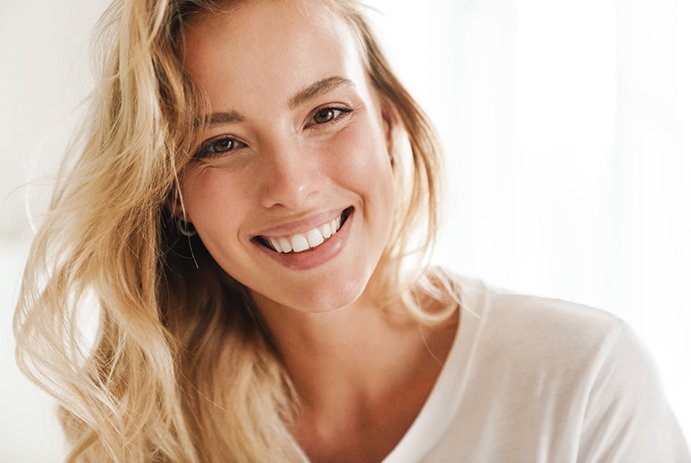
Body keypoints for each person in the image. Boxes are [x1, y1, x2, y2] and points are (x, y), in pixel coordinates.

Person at [13, 0, 689, 462]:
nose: (292, 185)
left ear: (391, 122)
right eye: (219, 144)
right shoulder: (152, 434)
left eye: (326, 112)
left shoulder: (581, 383)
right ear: (172, 194)